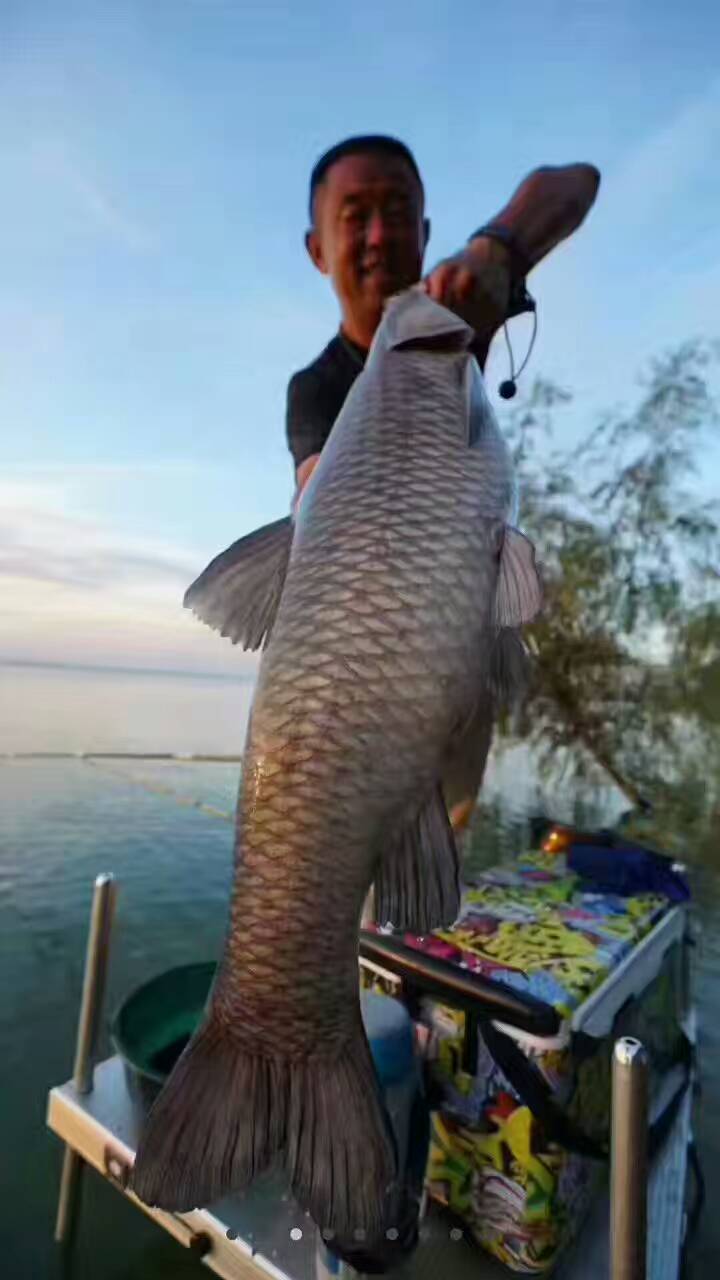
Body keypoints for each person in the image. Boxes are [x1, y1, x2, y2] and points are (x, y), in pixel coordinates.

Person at [285, 135, 600, 834]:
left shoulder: (453, 320)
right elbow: (312, 489)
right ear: (317, 250)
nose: (378, 235)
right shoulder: (316, 387)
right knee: (338, 865)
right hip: (348, 688)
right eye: (354, 216)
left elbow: (578, 181)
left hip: (457, 663)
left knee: (440, 855)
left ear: (425, 232)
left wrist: (497, 250)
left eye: (398, 211)